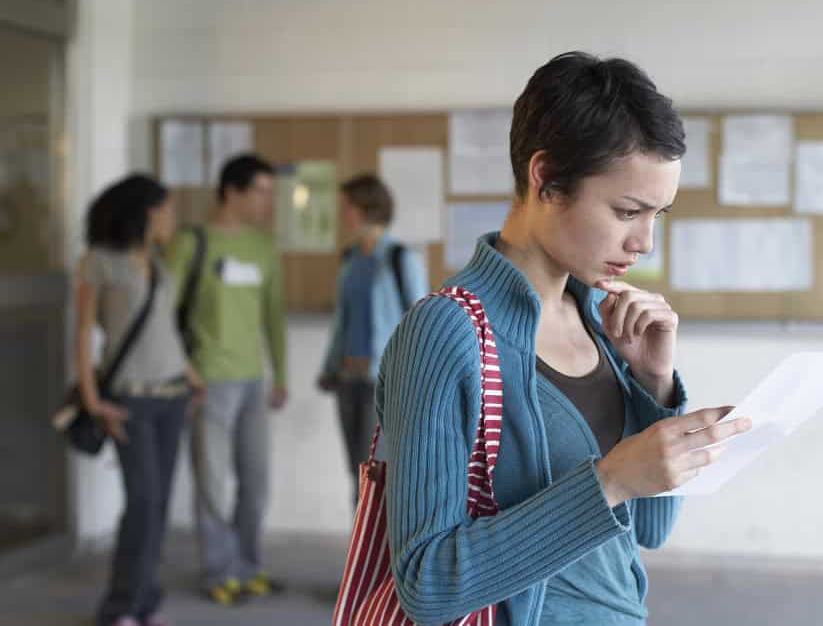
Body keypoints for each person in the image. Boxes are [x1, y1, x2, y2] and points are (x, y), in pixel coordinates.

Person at [375, 52, 752, 625]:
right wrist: (610, 480)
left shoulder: (601, 314)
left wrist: (652, 384)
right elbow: (427, 584)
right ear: (546, 178)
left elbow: (650, 528)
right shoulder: (445, 332)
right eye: (628, 211)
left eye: (659, 215)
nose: (644, 242)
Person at [75, 174, 205, 626]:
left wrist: (192, 377)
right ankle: (118, 608)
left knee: (160, 503)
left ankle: (145, 602)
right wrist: (93, 401)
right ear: (149, 211)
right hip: (129, 400)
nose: (173, 218)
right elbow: (82, 335)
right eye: (168, 209)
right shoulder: (98, 263)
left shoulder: (156, 261)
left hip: (172, 396)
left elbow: (163, 331)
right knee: (143, 502)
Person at [163, 154, 288, 607]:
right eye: (261, 191)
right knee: (213, 482)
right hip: (208, 381)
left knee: (256, 481)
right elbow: (163, 312)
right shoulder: (189, 243)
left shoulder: (262, 247)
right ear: (231, 192)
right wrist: (186, 368)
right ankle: (219, 570)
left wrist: (281, 373)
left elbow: (273, 314)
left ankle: (248, 565)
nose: (267, 201)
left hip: (254, 379)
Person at [317, 175, 428, 504]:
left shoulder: (398, 258)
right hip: (346, 377)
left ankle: (378, 549)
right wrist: (329, 366)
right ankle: (363, 546)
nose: (342, 215)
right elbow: (342, 319)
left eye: (346, 207)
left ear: (366, 208)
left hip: (383, 381)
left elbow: (421, 322)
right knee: (357, 470)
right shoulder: (350, 260)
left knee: (377, 471)